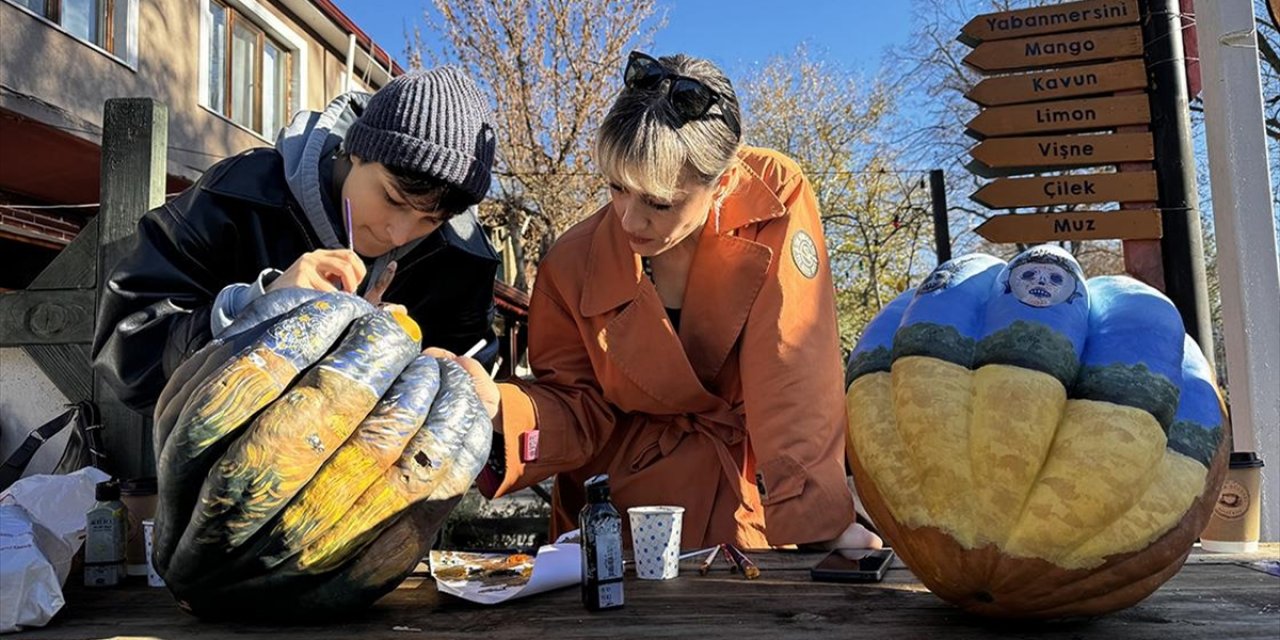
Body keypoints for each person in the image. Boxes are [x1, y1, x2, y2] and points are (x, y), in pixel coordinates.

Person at [467, 52, 881, 550]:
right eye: (617, 188)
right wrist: (499, 408)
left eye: (659, 202)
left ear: (723, 182)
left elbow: (792, 362)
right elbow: (577, 407)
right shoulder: (569, 264)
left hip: (745, 504)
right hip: (615, 518)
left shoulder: (775, 193)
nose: (628, 221)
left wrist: (819, 522)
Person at [93, 66, 500, 411]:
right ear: (356, 151)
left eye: (430, 220)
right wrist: (255, 306)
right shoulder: (241, 195)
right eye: (392, 199)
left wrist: (441, 383)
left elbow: (476, 378)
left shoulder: (462, 260)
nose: (398, 233)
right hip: (212, 483)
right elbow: (127, 358)